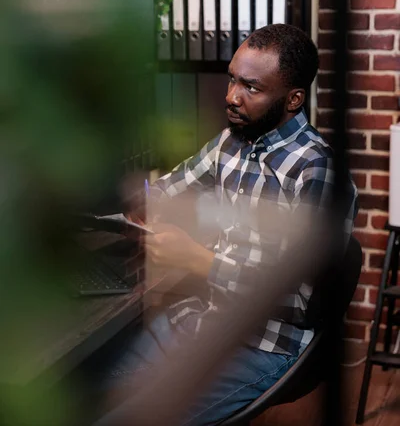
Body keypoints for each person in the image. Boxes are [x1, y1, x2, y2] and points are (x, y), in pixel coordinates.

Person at [95, 24, 358, 426]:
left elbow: (298, 299)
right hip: (207, 318)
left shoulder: (317, 172)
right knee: (86, 388)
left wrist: (199, 260)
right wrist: (145, 199)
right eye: (232, 78)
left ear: (293, 99)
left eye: (251, 88)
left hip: (265, 343)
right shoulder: (231, 142)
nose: (231, 97)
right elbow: (168, 187)